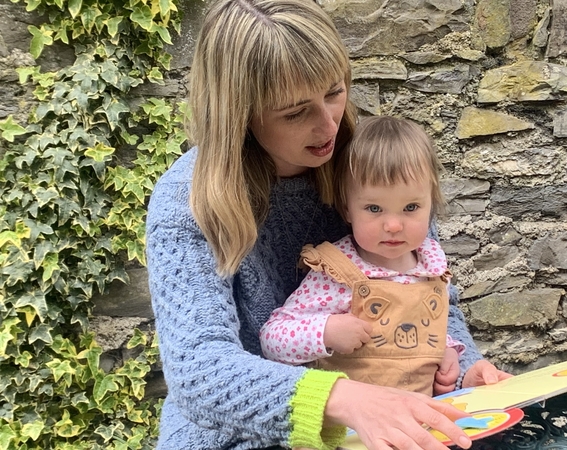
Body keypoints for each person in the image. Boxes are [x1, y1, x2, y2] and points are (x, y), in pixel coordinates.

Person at [145, 0, 511, 449]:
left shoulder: (374, 166)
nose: (329, 125)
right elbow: (199, 371)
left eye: (334, 92)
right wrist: (343, 399)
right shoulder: (187, 199)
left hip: (379, 427)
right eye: (295, 112)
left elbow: (430, 296)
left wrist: (465, 370)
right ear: (238, 113)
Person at [260, 116, 466, 397]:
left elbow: (424, 328)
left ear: (430, 204)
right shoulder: (336, 273)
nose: (393, 225)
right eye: (374, 208)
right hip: (352, 432)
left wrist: (448, 351)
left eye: (410, 207)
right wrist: (325, 332)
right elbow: (272, 338)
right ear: (347, 210)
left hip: (420, 423)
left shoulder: (431, 266)